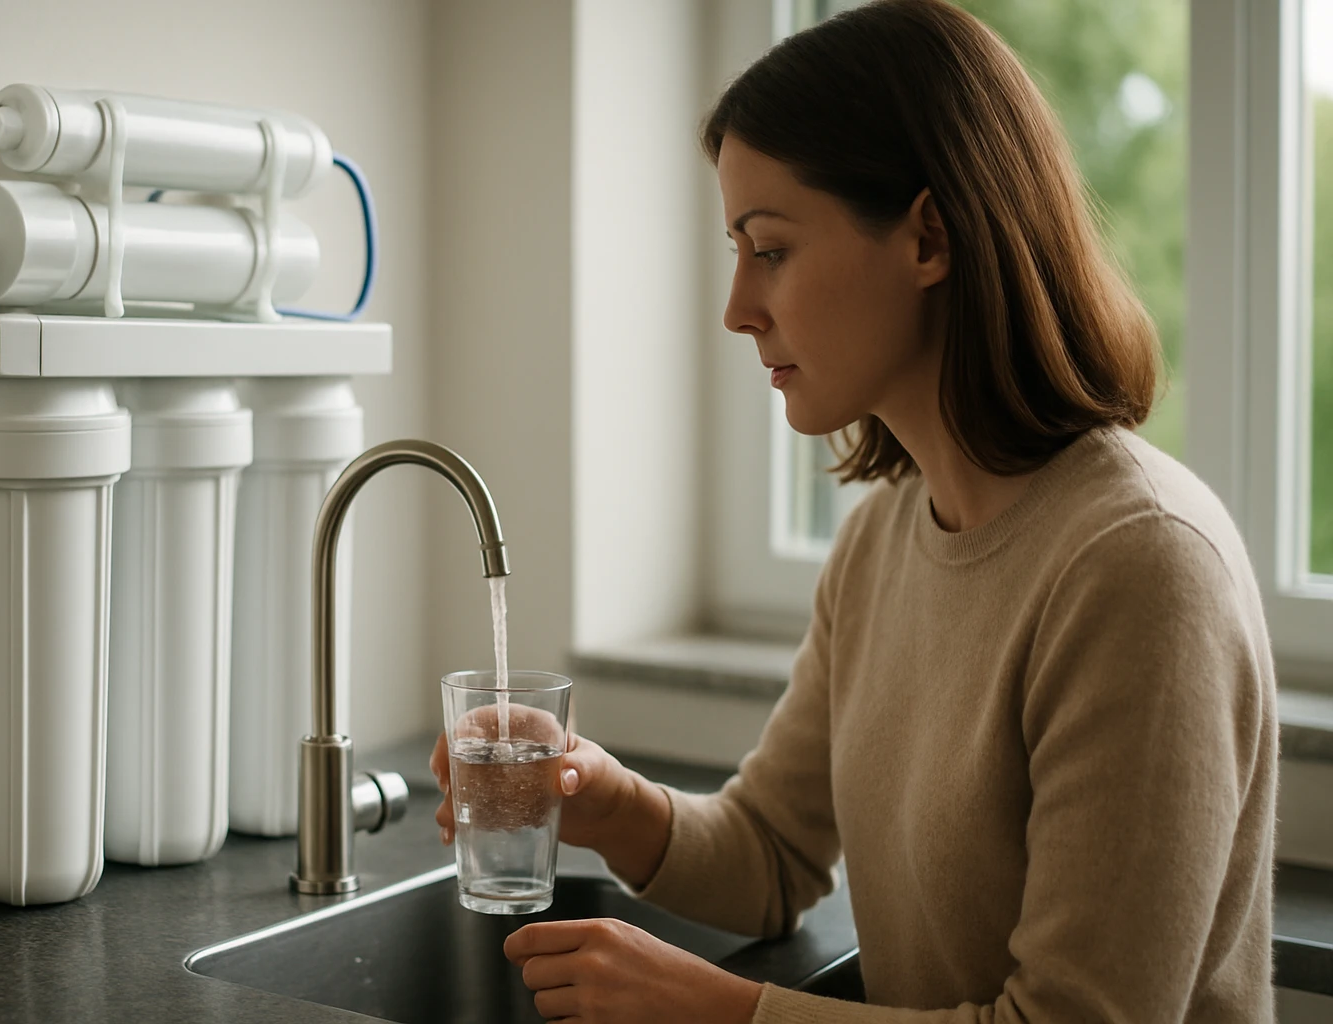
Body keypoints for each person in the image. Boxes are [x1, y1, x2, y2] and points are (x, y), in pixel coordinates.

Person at [430, 0, 1278, 1020]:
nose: (739, 307)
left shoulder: (1141, 567)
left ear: (928, 237)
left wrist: (726, 1012)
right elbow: (773, 856)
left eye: (771, 248)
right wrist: (604, 798)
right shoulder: (885, 534)